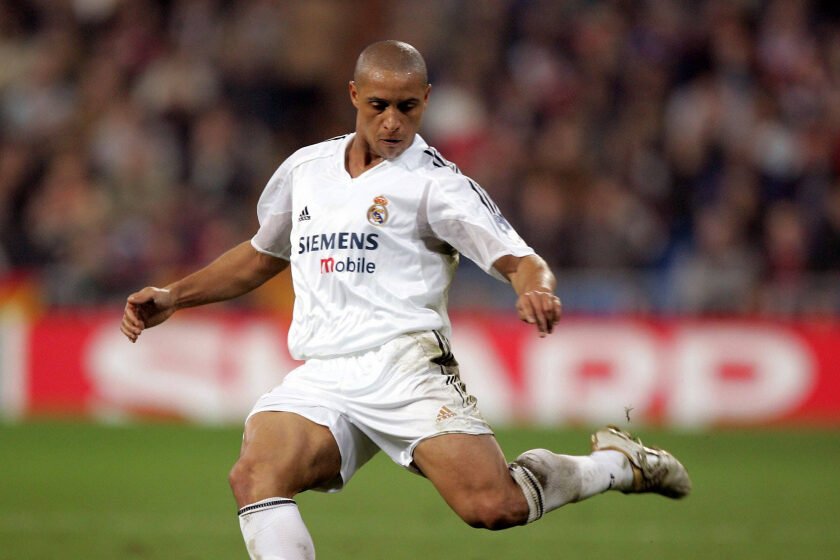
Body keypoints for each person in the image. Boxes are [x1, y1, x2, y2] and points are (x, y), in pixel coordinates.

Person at [121, 40, 691, 559]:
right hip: (326, 372)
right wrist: (175, 295)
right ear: (353, 95)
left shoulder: (437, 185)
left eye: (407, 107)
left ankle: (614, 465)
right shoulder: (306, 170)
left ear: (426, 100)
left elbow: (520, 258)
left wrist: (535, 289)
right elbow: (262, 255)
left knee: (494, 506)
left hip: (406, 366)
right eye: (378, 105)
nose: (392, 121)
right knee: (255, 475)